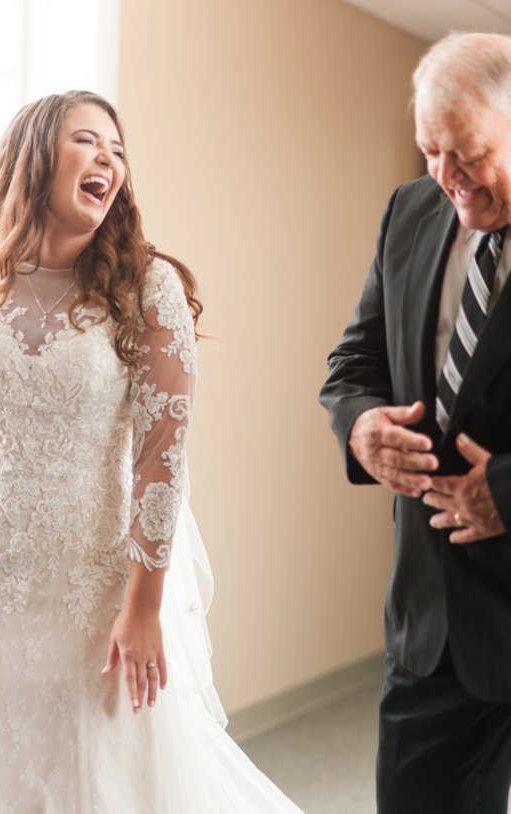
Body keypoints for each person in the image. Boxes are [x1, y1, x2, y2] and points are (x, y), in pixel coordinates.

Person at [0, 91, 302, 812]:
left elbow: (161, 459)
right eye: (87, 141)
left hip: (98, 583)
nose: (108, 160)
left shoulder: (148, 285)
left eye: (117, 150)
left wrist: (144, 604)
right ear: (35, 156)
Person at [321, 32, 511, 814]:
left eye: (468, 153)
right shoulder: (410, 210)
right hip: (434, 624)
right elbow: (353, 364)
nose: (447, 176)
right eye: (431, 151)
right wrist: (360, 427)